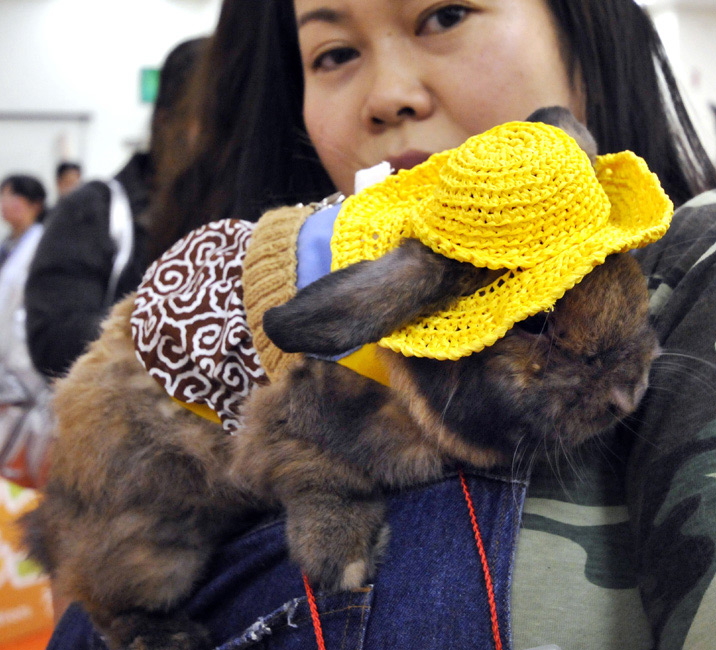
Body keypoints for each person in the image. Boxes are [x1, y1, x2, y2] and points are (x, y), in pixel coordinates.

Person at [43, 1, 716, 649]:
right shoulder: (346, 337)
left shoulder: (693, 266)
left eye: (447, 15)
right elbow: (285, 426)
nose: (390, 97)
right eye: (334, 53)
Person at [24, 36, 206, 380]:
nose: (234, 138)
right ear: (167, 120)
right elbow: (52, 341)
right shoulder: (96, 210)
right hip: (124, 409)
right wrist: (179, 330)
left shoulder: (259, 211)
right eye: (216, 117)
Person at [0, 175, 53, 488]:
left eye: (13, 196)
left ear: (35, 204)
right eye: (3, 195)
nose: (5, 203)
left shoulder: (42, 245)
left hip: (22, 367)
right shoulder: (8, 245)